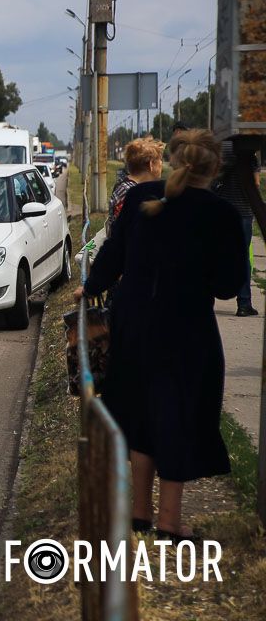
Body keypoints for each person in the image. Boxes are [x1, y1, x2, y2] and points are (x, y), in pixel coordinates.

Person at [76, 129, 245, 541]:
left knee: (137, 409)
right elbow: (228, 285)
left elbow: (113, 255)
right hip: (185, 330)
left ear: (172, 160)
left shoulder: (140, 200)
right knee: (177, 414)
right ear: (214, 168)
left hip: (133, 324)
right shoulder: (219, 214)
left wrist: (91, 286)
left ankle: (139, 513)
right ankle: (170, 522)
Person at [213, 140, 260, 316]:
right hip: (242, 211)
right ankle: (244, 303)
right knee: (242, 258)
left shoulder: (220, 149)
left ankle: (208, 298)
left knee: (215, 255)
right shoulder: (247, 154)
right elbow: (255, 183)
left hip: (221, 210)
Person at [106, 137, 164, 236]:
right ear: (150, 165)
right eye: (160, 160)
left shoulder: (125, 187)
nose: (161, 164)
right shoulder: (129, 193)